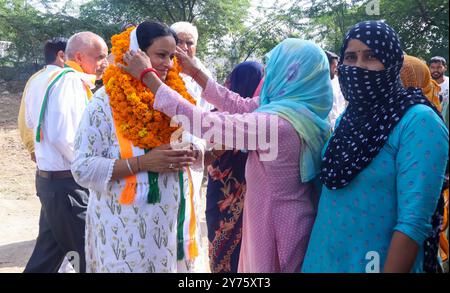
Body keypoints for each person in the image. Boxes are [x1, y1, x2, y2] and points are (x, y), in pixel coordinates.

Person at [120, 37, 333, 272]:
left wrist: (147, 76)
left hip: (274, 224)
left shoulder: (277, 125)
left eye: (273, 68)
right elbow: (239, 103)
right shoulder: (303, 111)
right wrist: (195, 73)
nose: (267, 76)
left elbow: (202, 122)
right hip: (291, 215)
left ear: (288, 73)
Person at [302, 21, 448, 273]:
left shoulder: (418, 121)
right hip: (324, 258)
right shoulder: (349, 118)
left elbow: (412, 224)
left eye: (371, 56)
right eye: (350, 56)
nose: (357, 66)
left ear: (391, 62)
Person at [71, 21, 207, 273]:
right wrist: (142, 163)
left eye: (171, 56)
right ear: (138, 54)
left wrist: (194, 150)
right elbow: (82, 168)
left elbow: (199, 133)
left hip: (173, 225)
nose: (168, 63)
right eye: (161, 55)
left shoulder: (176, 96)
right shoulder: (105, 103)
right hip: (125, 230)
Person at [24, 31, 108, 273]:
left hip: (51, 182)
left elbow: (31, 121)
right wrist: (88, 167)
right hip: (68, 186)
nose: (104, 62)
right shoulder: (71, 81)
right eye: (99, 56)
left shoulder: (40, 78)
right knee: (90, 257)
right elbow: (65, 137)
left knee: (46, 257)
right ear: (79, 57)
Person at [205, 61, 263, 273]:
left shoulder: (216, 114)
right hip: (240, 195)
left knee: (224, 248)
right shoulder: (258, 120)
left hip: (219, 194)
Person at [18, 37, 67, 163]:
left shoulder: (36, 78)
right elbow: (25, 117)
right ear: (61, 55)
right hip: (59, 164)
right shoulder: (64, 80)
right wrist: (32, 148)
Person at [170, 21, 214, 111]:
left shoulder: (205, 73)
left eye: (189, 43)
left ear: (196, 46)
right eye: (179, 42)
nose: (185, 47)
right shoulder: (163, 69)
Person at [324, 50, 346, 129]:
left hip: (339, 124)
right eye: (334, 66)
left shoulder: (337, 81)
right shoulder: (319, 85)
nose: (336, 69)